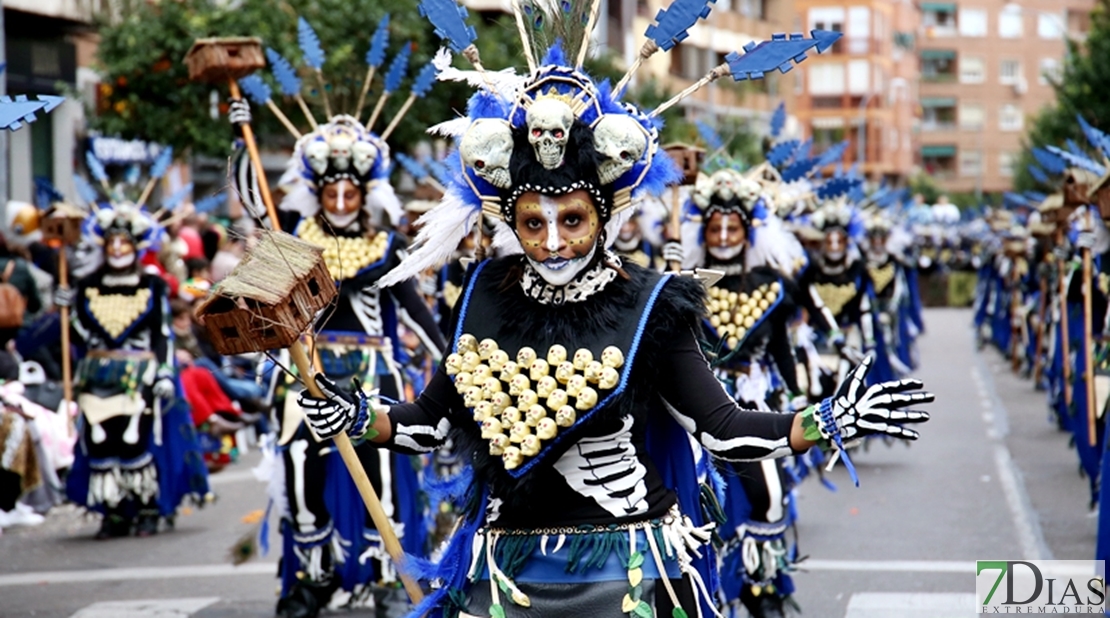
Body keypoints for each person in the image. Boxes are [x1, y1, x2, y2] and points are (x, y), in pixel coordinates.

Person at [295, 27, 934, 617]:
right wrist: (355, 416)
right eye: (531, 223)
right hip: (503, 572)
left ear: (604, 217)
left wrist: (822, 421)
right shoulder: (483, 291)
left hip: (628, 572)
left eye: (571, 219)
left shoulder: (652, 301)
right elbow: (432, 424)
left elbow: (723, 430)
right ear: (508, 220)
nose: (550, 243)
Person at [230, 27, 447, 617]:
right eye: (333, 189)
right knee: (302, 473)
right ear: (317, 191)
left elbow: (417, 313)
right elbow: (254, 240)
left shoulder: (388, 246)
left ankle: (384, 573)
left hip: (373, 365)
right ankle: (313, 577)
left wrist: (454, 366)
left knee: (379, 469)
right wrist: (237, 130)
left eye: (352, 189)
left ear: (366, 191)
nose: (343, 200)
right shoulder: (291, 240)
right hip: (308, 370)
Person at [58, 192, 209, 539]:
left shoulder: (152, 286)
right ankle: (112, 512)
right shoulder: (86, 287)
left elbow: (162, 335)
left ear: (136, 246)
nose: (117, 249)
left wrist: (166, 372)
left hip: (139, 374)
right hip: (96, 375)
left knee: (135, 442)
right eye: (112, 241)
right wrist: (66, 311)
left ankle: (145, 507)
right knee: (100, 443)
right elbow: (79, 338)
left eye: (124, 242)